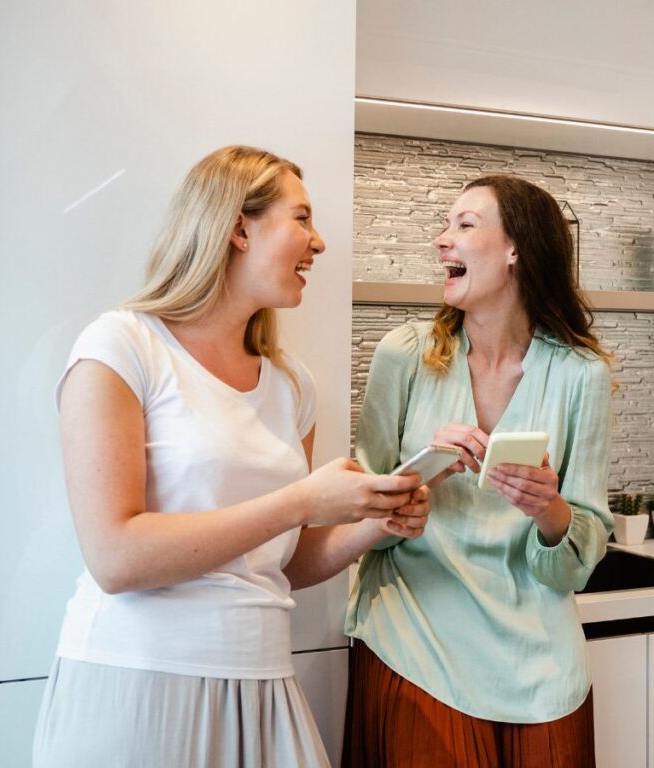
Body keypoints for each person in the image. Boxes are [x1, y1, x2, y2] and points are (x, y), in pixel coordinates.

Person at [32, 146, 431, 768]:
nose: (319, 242)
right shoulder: (122, 346)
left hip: (263, 680)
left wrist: (373, 525)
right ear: (239, 227)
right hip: (138, 679)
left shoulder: (291, 385)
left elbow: (285, 560)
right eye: (302, 218)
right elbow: (114, 556)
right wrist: (302, 499)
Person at [343, 175, 614, 767]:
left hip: (542, 665)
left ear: (517, 250)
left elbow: (581, 552)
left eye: (465, 225)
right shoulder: (405, 355)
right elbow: (357, 507)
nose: (444, 240)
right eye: (446, 226)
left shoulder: (579, 373)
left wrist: (551, 509)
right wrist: (424, 471)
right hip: (415, 640)